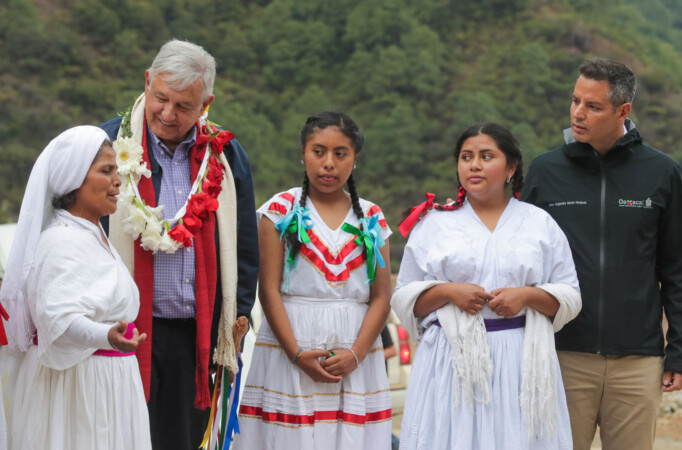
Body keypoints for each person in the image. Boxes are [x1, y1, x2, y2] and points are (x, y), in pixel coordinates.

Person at [521, 58, 682, 450]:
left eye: (593, 106)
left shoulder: (661, 172)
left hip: (638, 361)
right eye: (575, 101)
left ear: (623, 111)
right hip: (561, 356)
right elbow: (516, 258)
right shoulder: (545, 172)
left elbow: (679, 270)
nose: (578, 113)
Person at [98, 39, 260, 449]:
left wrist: (237, 318)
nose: (167, 114)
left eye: (184, 106)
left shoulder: (225, 155)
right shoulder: (105, 145)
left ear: (206, 103)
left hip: (195, 339)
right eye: (161, 99)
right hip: (122, 333)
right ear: (147, 82)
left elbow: (243, 247)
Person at [393, 122, 581, 450]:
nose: (474, 164)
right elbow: (406, 297)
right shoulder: (435, 224)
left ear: (510, 167)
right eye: (466, 157)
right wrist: (448, 292)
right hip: (450, 361)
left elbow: (569, 296)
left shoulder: (538, 223)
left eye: (486, 156)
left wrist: (527, 295)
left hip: (520, 359)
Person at [235, 112, 393, 450]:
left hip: (355, 350)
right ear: (303, 154)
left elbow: (381, 296)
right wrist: (296, 353)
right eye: (318, 151)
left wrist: (356, 353)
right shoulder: (281, 210)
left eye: (340, 154)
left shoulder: (372, 215)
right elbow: (270, 290)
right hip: (292, 343)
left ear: (355, 158)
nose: (328, 164)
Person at [0, 126, 150, 449]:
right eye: (106, 171)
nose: (117, 181)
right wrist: (105, 336)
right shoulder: (60, 241)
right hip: (80, 388)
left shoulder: (93, 235)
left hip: (109, 382)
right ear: (74, 180)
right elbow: (57, 318)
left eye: (116, 171)